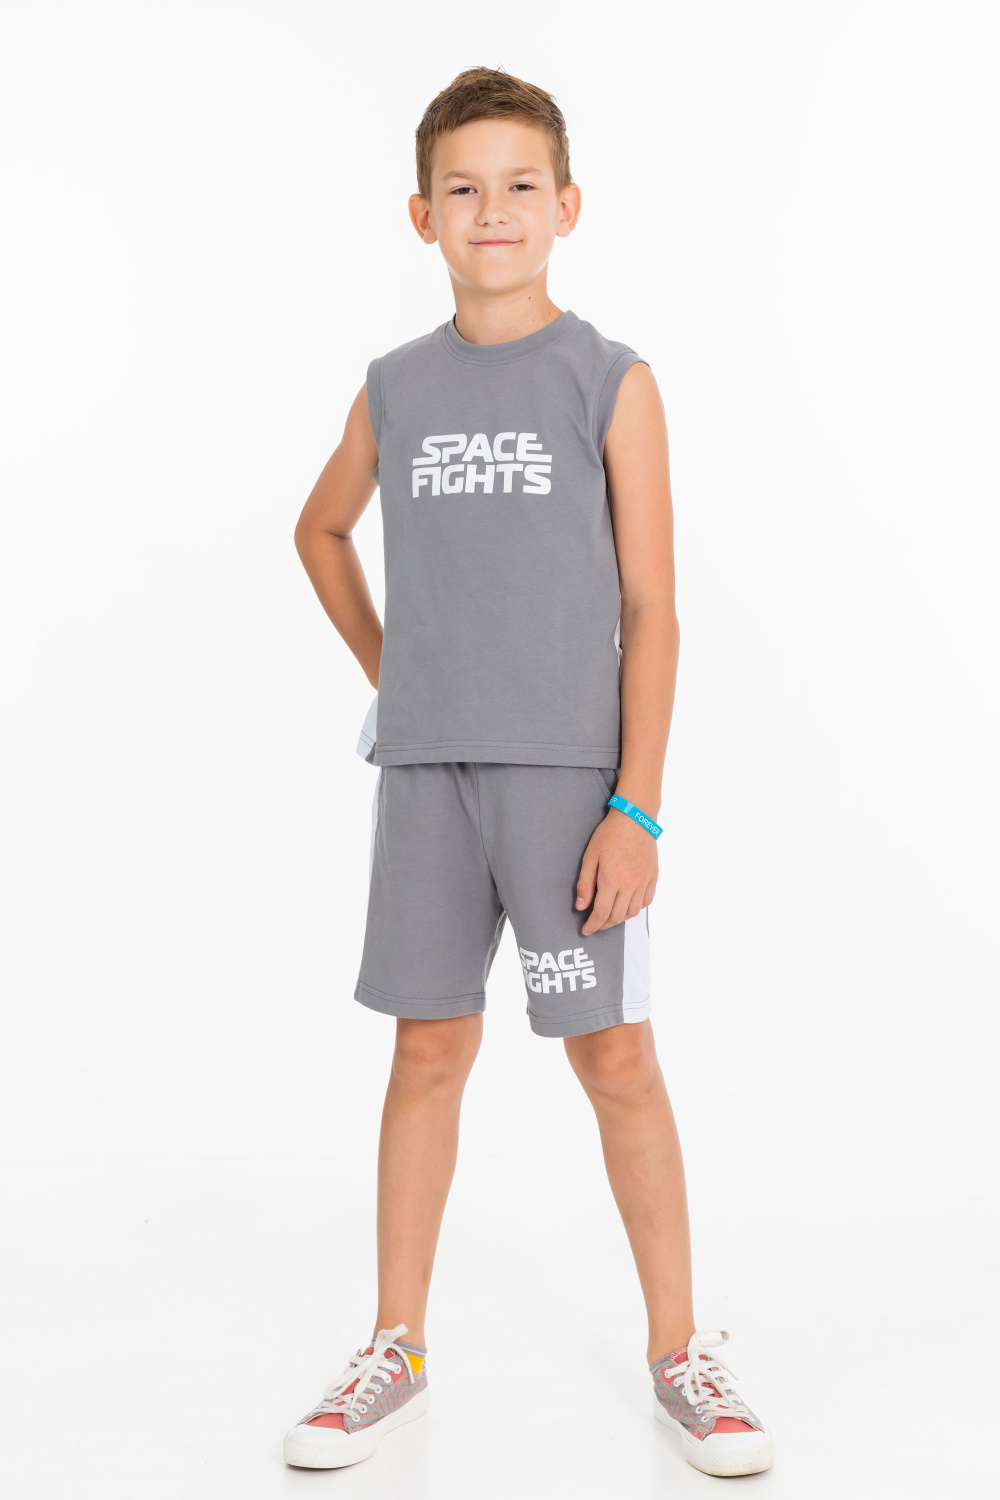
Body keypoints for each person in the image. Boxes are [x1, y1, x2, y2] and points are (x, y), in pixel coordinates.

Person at [284, 66, 774, 1480]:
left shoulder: (609, 380)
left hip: (569, 789)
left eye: (518, 186)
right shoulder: (395, 386)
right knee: (427, 1049)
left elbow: (654, 609)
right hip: (426, 781)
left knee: (613, 1056)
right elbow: (319, 531)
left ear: (565, 207)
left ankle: (681, 1352)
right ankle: (396, 1346)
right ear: (421, 214)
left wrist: (636, 805)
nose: (490, 210)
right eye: (462, 187)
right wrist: (397, 674)